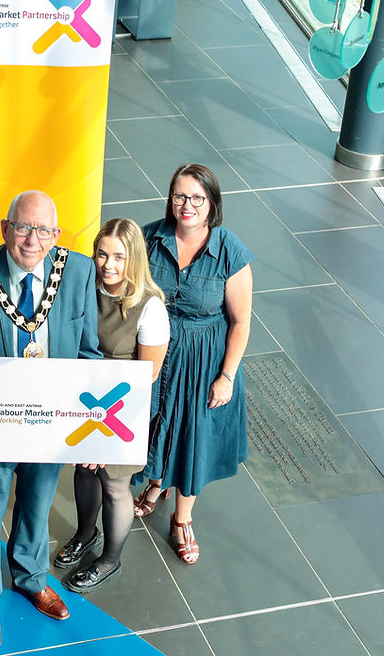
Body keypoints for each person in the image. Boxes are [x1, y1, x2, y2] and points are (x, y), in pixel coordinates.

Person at [0, 190, 102, 649]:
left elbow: (88, 352)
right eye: (23, 228)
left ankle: (31, 577)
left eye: (43, 230)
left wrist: (86, 430)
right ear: (5, 228)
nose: (32, 240)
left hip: (51, 422)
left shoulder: (78, 272)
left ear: (57, 234)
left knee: (37, 504)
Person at [132, 163, 254, 566]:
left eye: (197, 198)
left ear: (212, 203)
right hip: (157, 349)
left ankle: (182, 518)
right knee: (154, 424)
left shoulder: (229, 250)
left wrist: (227, 376)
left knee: (192, 435)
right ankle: (157, 483)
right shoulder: (149, 238)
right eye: (180, 196)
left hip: (204, 359)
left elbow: (240, 321)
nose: (188, 205)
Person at [55, 218, 169, 593]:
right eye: (102, 254)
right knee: (84, 471)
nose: (108, 265)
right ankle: (85, 534)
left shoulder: (149, 307)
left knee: (114, 485)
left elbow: (147, 375)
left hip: (121, 408)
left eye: (119, 256)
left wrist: (104, 433)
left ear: (133, 258)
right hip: (84, 398)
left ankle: (109, 559)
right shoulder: (86, 289)